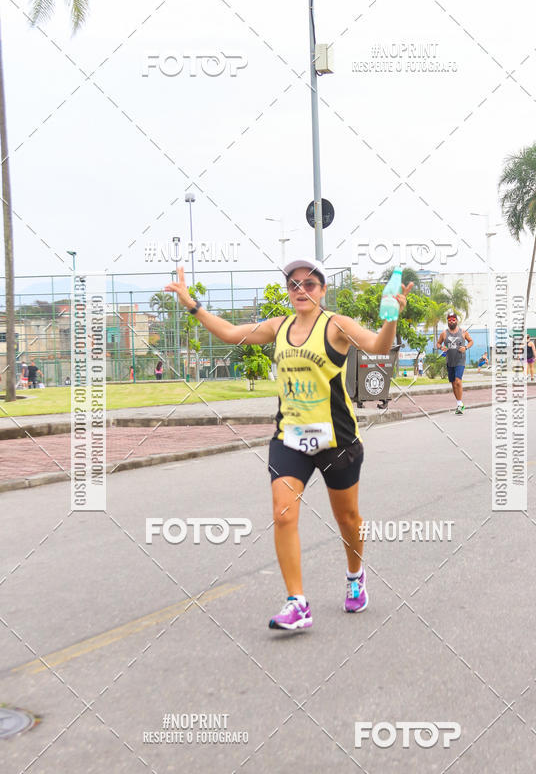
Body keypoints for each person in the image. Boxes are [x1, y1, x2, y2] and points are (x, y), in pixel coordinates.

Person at [166, 259, 413, 631]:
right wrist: (191, 304)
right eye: (294, 284)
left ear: (322, 290)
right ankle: (297, 602)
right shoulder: (277, 327)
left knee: (347, 519)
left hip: (337, 440)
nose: (301, 290)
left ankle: (355, 574)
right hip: (290, 438)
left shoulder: (336, 325)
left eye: (309, 284)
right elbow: (232, 334)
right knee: (283, 513)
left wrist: (391, 316)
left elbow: (377, 347)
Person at [437, 313, 473, 415]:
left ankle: (460, 403)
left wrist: (465, 348)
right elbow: (438, 343)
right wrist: (441, 347)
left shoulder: (463, 332)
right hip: (450, 360)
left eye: (453, 320)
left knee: (458, 381)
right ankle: (459, 404)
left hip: (460, 360)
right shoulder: (444, 333)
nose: (451, 322)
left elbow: (471, 341)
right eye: (449, 320)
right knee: (453, 383)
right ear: (447, 321)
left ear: (456, 321)